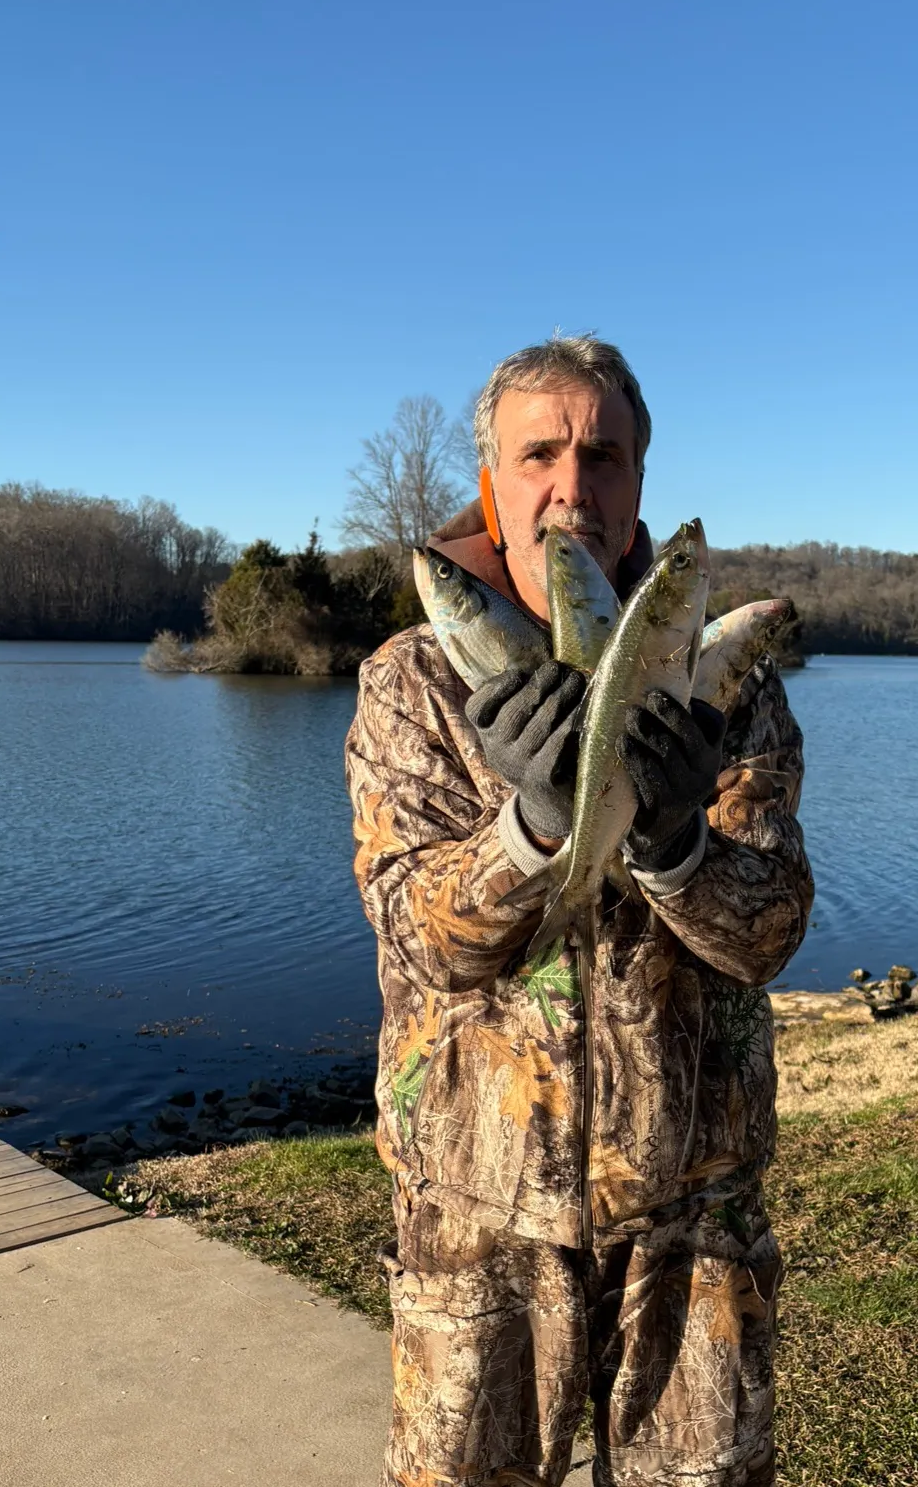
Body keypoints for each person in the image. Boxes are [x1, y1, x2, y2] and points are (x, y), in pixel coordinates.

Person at [345, 335, 814, 1487]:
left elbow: (768, 933)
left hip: (691, 1222)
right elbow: (419, 939)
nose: (574, 485)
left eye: (603, 455)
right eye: (539, 454)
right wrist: (534, 830)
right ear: (495, 485)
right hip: (478, 1222)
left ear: (640, 483)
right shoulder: (410, 682)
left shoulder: (726, 678)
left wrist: (672, 839)